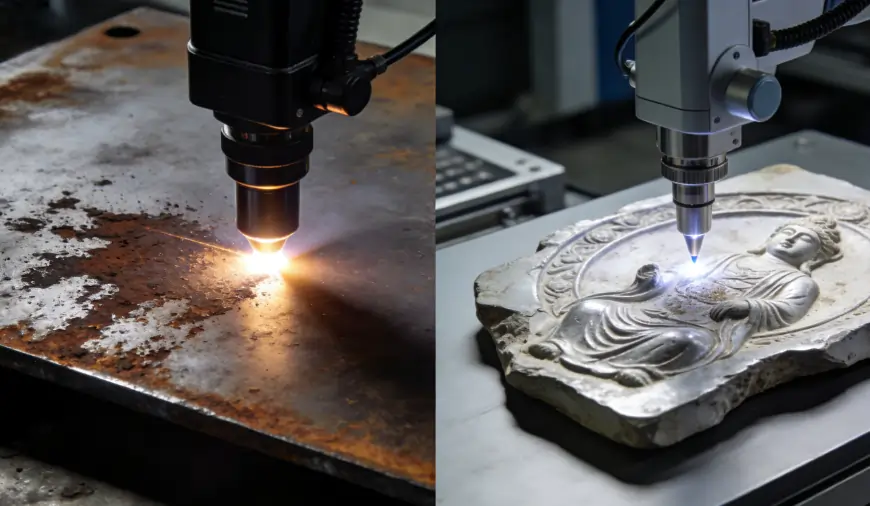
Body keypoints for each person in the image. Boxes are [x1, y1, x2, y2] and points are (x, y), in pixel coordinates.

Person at [527, 215, 843, 387]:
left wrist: (748, 306)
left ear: (816, 254)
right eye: (786, 231)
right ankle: (561, 346)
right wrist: (654, 278)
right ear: (771, 235)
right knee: (592, 309)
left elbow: (788, 311)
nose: (789, 238)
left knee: (685, 342)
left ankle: (640, 370)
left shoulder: (799, 281)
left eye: (803, 239)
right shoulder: (731, 256)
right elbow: (685, 273)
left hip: (702, 323)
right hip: (660, 307)